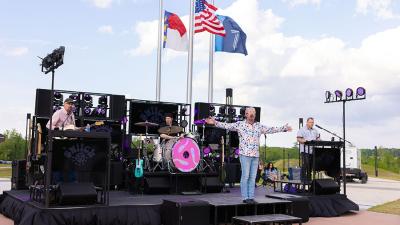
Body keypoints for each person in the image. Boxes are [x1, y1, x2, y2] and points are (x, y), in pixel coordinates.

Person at [206, 107, 292, 204]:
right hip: (245, 154)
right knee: (245, 176)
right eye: (250, 114)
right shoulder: (240, 124)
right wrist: (215, 122)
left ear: (255, 115)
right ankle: (245, 197)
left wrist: (284, 128)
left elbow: (271, 129)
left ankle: (251, 197)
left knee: (252, 177)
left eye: (253, 114)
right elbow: (227, 125)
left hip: (255, 155)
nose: (252, 116)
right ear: (246, 114)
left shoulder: (258, 126)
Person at [296, 117, 320, 182]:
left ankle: (309, 179)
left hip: (312, 151)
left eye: (312, 122)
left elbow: (318, 138)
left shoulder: (315, 130)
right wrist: (305, 141)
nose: (312, 123)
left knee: (311, 165)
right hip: (305, 150)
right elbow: (298, 139)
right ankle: (303, 179)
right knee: (306, 164)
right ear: (307, 122)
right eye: (310, 122)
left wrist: (318, 140)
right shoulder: (302, 130)